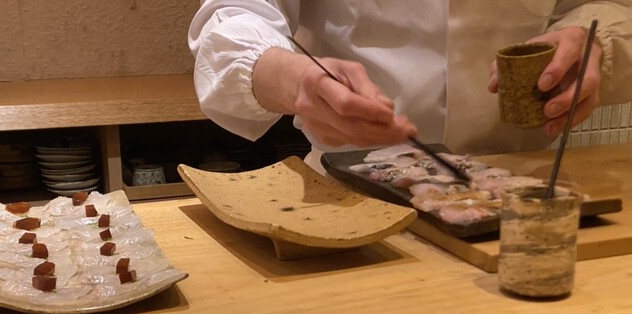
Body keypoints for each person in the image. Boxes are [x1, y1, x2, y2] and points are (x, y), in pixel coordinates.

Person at [188, 1, 632, 161]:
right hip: (352, 196)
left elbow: (611, 7)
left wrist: (595, 40)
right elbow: (233, 15)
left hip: (521, 190)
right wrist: (296, 80)